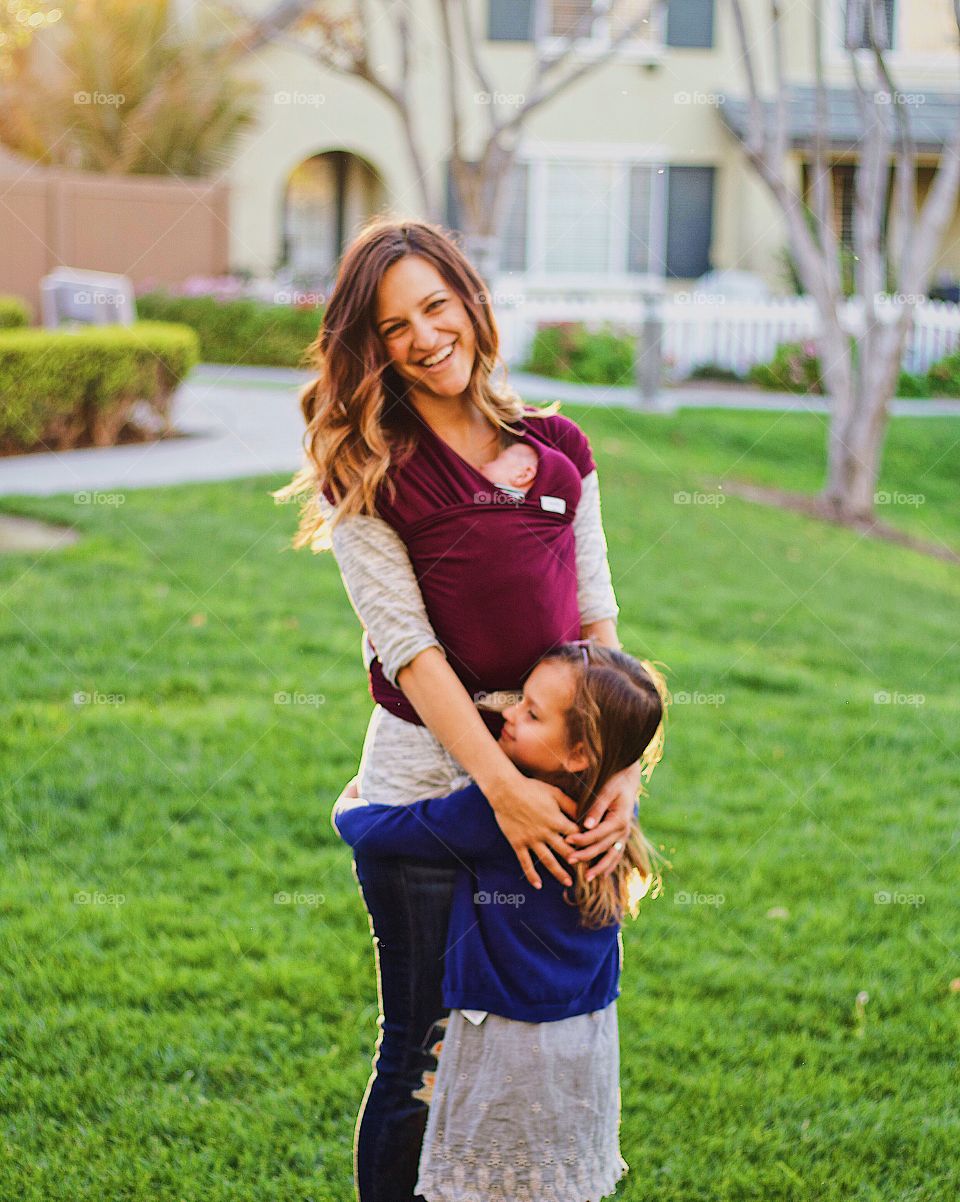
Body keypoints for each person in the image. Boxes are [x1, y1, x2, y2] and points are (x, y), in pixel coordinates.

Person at [273, 217, 644, 1202]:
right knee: (427, 1046)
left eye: (436, 304)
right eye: (393, 325)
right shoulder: (369, 468)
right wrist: (501, 788)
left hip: (553, 767)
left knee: (526, 1036)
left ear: (471, 301)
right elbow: (414, 651)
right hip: (431, 777)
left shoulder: (560, 451)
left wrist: (616, 772)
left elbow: (597, 617)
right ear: (371, 347)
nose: (424, 335)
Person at [332, 640, 669, 1202]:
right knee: (531, 1167)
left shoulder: (502, 810)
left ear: (579, 753)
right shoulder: (612, 817)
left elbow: (382, 833)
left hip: (498, 1027)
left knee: (464, 1150)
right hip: (580, 1031)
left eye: (531, 713)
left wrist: (347, 804)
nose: (506, 712)